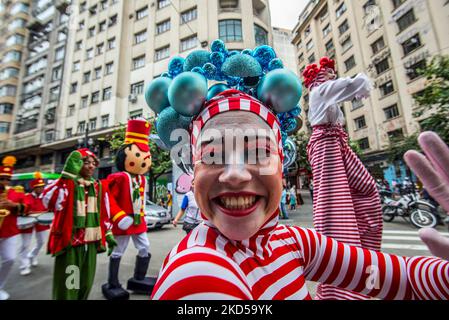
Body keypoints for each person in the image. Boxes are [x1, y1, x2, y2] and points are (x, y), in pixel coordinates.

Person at [146, 42, 449, 301]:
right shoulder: (196, 274)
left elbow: (389, 277)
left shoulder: (292, 241)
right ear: (192, 167)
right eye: (213, 155)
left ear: (281, 163)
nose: (235, 174)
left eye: (258, 152)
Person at [303, 57, 383, 300]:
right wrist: (361, 80)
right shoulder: (320, 92)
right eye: (328, 73)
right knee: (334, 205)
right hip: (326, 146)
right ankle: (340, 283)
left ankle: (361, 259)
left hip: (336, 145)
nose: (331, 76)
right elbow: (348, 86)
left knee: (367, 192)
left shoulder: (325, 94)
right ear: (319, 76)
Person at [42, 149, 117, 300]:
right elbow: (48, 201)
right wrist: (67, 175)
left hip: (90, 245)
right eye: (86, 162)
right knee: (70, 286)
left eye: (93, 163)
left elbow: (104, 213)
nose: (91, 166)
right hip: (71, 245)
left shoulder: (98, 186)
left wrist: (108, 234)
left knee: (85, 284)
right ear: (77, 164)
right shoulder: (68, 183)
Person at [102, 119, 156, 300]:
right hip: (123, 222)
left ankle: (139, 277)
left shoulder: (142, 179)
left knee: (145, 247)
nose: (144, 160)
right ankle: (113, 283)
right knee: (119, 250)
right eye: (138, 154)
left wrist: (143, 213)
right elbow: (107, 197)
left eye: (146, 155)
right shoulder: (119, 178)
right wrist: (119, 217)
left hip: (138, 222)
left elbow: (141, 200)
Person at [0, 156, 26, 300]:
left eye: (7, 179)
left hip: (10, 231)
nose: (4, 182)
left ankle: (0, 286)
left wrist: (14, 205)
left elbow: (25, 209)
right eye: (2, 178)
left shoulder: (16, 194)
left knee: (9, 259)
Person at [19, 172, 50, 276]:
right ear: (34, 188)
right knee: (25, 244)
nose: (41, 189)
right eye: (39, 187)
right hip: (27, 222)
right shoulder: (26, 196)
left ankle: (32, 255)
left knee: (41, 242)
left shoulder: (45, 197)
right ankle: (24, 266)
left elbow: (49, 210)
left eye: (42, 186)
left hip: (40, 222)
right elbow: (23, 208)